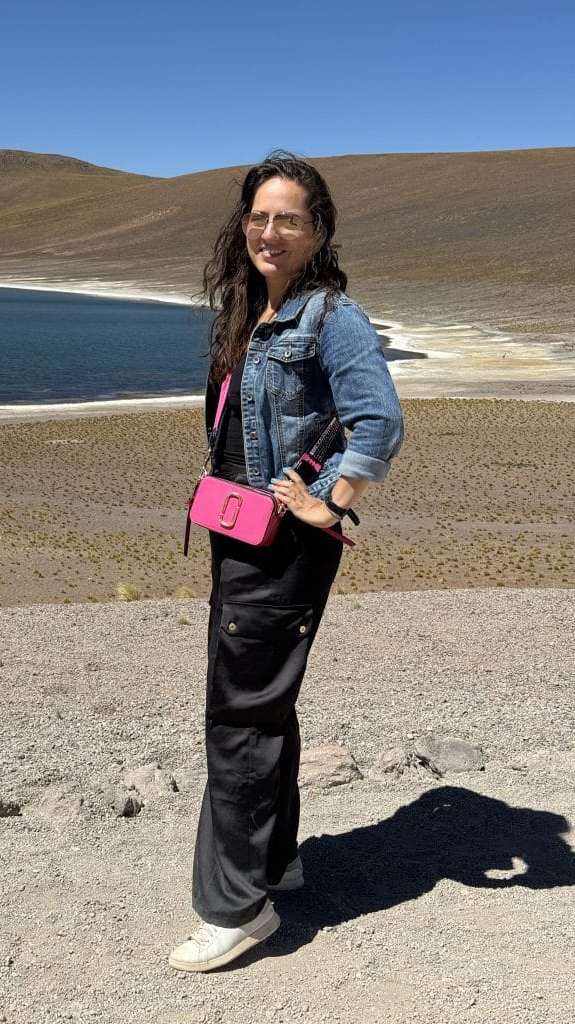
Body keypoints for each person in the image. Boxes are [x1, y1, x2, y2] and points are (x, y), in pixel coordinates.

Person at [169, 151, 404, 972]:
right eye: (260, 217)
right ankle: (275, 862)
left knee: (237, 715)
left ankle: (235, 906)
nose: (271, 231)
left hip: (283, 544)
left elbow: (380, 421)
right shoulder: (254, 311)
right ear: (245, 225)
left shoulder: (329, 318)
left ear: (317, 232)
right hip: (240, 534)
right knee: (265, 702)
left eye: (289, 219)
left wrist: (331, 501)